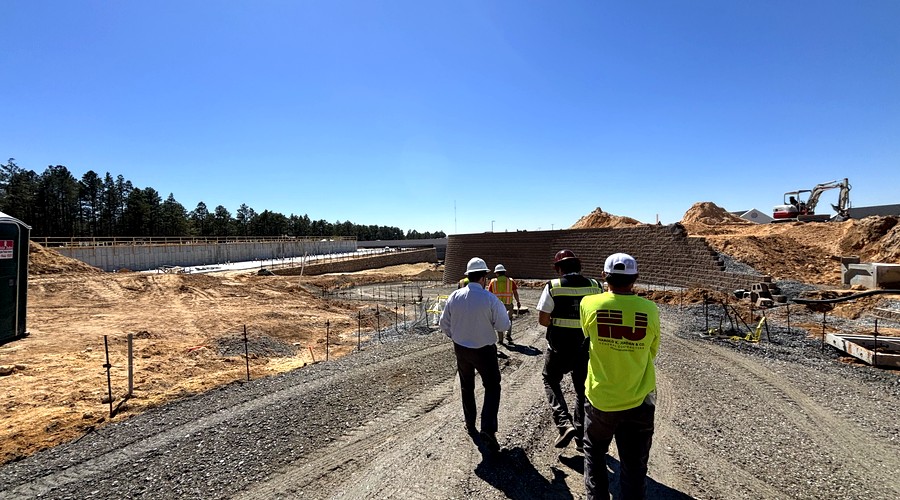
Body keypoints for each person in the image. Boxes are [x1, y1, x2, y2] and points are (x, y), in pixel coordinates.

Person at [579, 253, 660, 500]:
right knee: (635, 467)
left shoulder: (589, 304)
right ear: (635, 278)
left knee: (594, 453)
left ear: (604, 276)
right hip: (639, 401)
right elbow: (652, 350)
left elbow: (587, 336)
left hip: (600, 399)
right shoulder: (650, 309)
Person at [440, 257, 512, 454]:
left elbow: (443, 324)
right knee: (492, 386)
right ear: (483, 277)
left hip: (461, 349)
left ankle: (470, 424)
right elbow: (503, 326)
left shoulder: (454, 296)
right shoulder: (490, 299)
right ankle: (487, 428)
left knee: (466, 386)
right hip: (485, 350)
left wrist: (457, 336)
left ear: (468, 276)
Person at [535, 249, 602, 451]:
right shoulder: (595, 286)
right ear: (579, 267)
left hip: (558, 347)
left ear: (558, 269)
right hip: (585, 348)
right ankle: (582, 439)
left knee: (550, 379)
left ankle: (564, 424)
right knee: (583, 391)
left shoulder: (553, 287)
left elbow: (543, 320)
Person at [486, 263, 521, 344]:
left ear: (497, 273)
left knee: (498, 320)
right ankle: (508, 334)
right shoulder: (510, 281)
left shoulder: (493, 282)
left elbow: (489, 295)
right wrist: (518, 301)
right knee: (509, 319)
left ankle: (500, 339)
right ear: (504, 272)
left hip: (497, 306)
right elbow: (515, 293)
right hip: (509, 304)